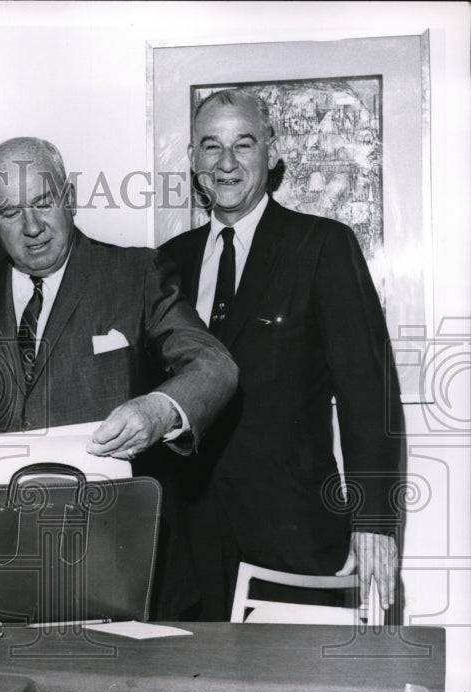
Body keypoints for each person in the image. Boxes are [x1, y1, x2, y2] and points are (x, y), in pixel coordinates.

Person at [0, 136, 239, 619]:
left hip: (119, 567)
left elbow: (214, 365)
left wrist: (159, 409)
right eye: (9, 212)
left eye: (44, 202)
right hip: (0, 574)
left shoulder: (135, 272)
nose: (33, 227)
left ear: (70, 195)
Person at [157, 89, 404, 621]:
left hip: (294, 538)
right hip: (190, 545)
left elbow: (370, 394)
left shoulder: (322, 246)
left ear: (271, 154)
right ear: (195, 163)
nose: (226, 163)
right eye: (210, 147)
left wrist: (375, 522)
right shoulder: (167, 264)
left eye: (243, 145)